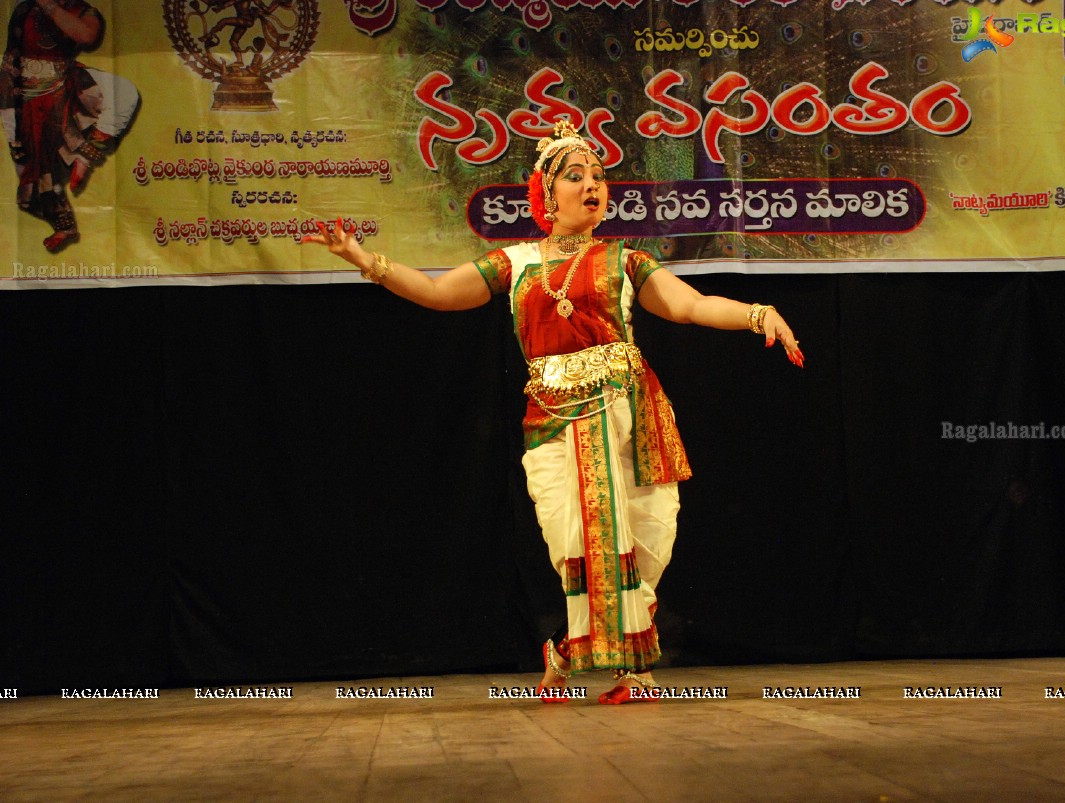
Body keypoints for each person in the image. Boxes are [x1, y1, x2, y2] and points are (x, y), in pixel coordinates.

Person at [303, 120, 804, 704]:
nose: (592, 185)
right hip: (555, 421)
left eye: (598, 176)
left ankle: (570, 652)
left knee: (647, 543)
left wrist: (755, 313)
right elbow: (439, 294)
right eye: (575, 176)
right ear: (546, 194)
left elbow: (690, 305)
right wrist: (364, 259)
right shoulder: (514, 264)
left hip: (627, 416)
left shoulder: (625, 261)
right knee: (578, 543)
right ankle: (630, 672)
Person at [1, 0, 140, 252]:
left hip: (66, 86)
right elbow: (11, 56)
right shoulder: (24, 9)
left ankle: (85, 159)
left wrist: (48, 4)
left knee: (125, 93)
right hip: (26, 94)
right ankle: (64, 224)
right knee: (30, 187)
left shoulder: (84, 12)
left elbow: (86, 35)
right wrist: (8, 96)